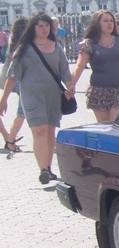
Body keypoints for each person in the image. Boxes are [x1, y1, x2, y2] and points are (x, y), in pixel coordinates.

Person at [0, 11, 72, 183]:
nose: (44, 29)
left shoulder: (56, 47)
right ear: (33, 28)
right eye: (40, 26)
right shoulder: (24, 49)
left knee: (50, 131)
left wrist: (70, 86)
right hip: (32, 96)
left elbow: (64, 71)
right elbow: (12, 76)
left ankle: (48, 167)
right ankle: (43, 170)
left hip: (53, 96)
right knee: (39, 130)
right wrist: (3, 100)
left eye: (47, 26)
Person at [68, 10, 119, 124]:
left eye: (111, 21)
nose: (110, 23)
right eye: (105, 21)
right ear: (97, 24)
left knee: (114, 122)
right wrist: (72, 83)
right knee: (103, 125)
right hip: (99, 91)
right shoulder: (89, 44)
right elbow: (80, 65)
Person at [0, 17, 29, 154]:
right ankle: (9, 139)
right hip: (21, 82)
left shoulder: (16, 43)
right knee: (23, 112)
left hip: (21, 81)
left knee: (26, 112)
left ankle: (8, 138)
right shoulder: (20, 46)